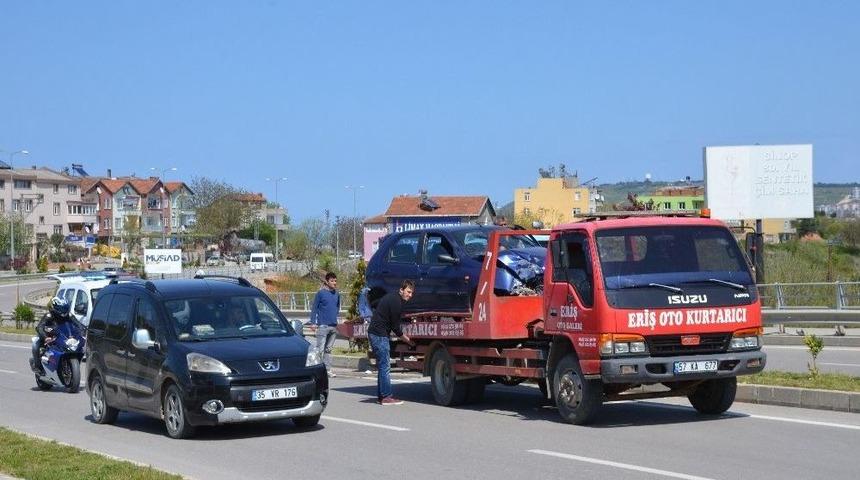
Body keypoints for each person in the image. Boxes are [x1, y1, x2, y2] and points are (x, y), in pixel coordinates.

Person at [368, 280, 415, 405]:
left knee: (382, 366)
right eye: (408, 292)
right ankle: (386, 397)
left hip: (376, 333)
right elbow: (396, 328)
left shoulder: (392, 297)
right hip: (379, 335)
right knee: (385, 366)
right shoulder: (396, 302)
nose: (410, 295)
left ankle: (381, 396)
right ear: (401, 290)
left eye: (411, 293)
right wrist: (409, 341)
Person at [309, 272, 341, 377]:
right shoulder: (320, 293)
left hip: (333, 326)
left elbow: (337, 307)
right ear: (326, 282)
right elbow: (314, 308)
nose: (334, 283)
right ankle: (317, 370)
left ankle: (327, 370)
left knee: (328, 350)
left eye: (335, 281)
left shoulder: (337, 294)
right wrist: (313, 322)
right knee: (320, 349)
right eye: (332, 281)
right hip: (323, 326)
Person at [31, 297, 74, 374]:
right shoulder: (49, 316)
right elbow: (40, 327)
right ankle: (38, 367)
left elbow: (78, 324)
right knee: (35, 345)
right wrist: (45, 337)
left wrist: (84, 330)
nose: (63, 312)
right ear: (55, 308)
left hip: (62, 336)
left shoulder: (68, 315)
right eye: (61, 309)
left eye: (65, 308)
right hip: (48, 336)